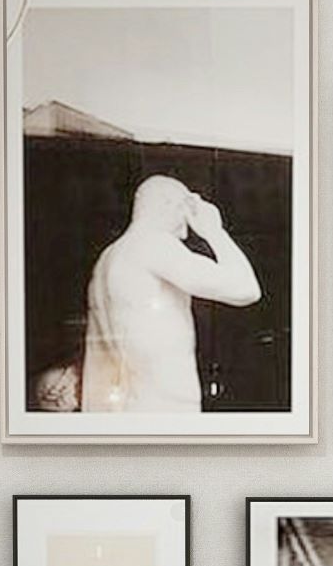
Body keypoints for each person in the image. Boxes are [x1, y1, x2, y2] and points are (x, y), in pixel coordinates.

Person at [81, 175, 261, 414]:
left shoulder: (108, 257)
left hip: (124, 409)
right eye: (185, 212)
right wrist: (215, 232)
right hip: (163, 407)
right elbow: (246, 289)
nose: (186, 233)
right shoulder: (153, 244)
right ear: (168, 205)